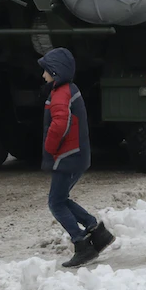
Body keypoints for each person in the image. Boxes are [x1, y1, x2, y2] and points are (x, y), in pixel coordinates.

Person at [39, 47, 115, 268]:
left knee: (55, 203)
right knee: (61, 198)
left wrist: (49, 148)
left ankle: (81, 243)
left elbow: (60, 124)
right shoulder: (68, 89)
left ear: (56, 71)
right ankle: (97, 232)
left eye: (46, 70)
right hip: (76, 155)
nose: (43, 75)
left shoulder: (60, 94)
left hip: (67, 156)